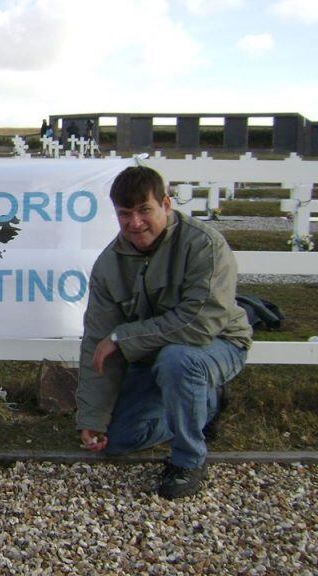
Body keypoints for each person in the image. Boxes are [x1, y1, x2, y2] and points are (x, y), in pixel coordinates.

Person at [76, 165, 252, 500]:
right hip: (152, 355)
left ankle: (188, 460)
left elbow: (199, 324)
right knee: (120, 438)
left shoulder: (204, 246)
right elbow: (96, 343)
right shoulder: (108, 266)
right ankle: (203, 403)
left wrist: (123, 339)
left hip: (217, 344)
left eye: (145, 210)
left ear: (166, 205)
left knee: (178, 360)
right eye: (125, 213)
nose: (135, 222)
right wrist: (92, 418)